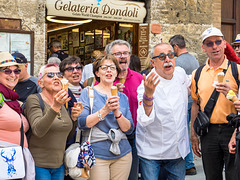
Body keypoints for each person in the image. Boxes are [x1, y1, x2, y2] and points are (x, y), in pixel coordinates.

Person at [136, 43, 190, 180]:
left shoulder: (180, 74)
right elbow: (144, 119)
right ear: (153, 62)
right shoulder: (146, 84)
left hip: (177, 151)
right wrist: (148, 95)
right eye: (161, 57)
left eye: (170, 55)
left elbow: (193, 86)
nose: (167, 59)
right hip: (152, 152)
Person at [190, 27, 239, 180]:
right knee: (211, 176)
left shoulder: (237, 70)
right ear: (204, 48)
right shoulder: (197, 74)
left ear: (224, 44)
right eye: (209, 43)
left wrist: (231, 94)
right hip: (208, 132)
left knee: (234, 176)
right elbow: (195, 104)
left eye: (218, 41)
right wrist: (193, 134)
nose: (215, 46)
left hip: (232, 130)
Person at [78, 54, 134, 180]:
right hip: (96, 154)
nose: (109, 70)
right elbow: (82, 123)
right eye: (104, 67)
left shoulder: (123, 97)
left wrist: (117, 113)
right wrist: (104, 110)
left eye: (112, 68)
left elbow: (129, 129)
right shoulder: (88, 93)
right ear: (97, 73)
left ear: (116, 73)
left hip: (123, 153)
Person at [24, 63, 82, 180]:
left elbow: (67, 136)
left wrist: (74, 119)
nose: (56, 77)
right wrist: (55, 107)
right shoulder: (34, 99)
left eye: (59, 75)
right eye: (50, 75)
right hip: (39, 165)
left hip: (59, 165)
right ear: (40, 83)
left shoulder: (63, 102)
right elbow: (38, 130)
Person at [105, 39, 143, 180]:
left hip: (133, 135)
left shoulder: (139, 78)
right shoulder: (102, 80)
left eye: (125, 53)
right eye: (118, 53)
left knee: (132, 175)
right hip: (109, 135)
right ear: (109, 57)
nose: (122, 56)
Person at [0, 51, 35, 179]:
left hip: (17, 163)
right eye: (7, 71)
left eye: (16, 71)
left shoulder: (13, 101)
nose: (13, 75)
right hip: (4, 163)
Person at [169, 34, 199, 175]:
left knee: (182, 133)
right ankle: (189, 163)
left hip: (182, 102)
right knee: (189, 132)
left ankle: (188, 164)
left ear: (175, 46)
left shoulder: (178, 62)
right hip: (193, 101)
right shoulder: (194, 59)